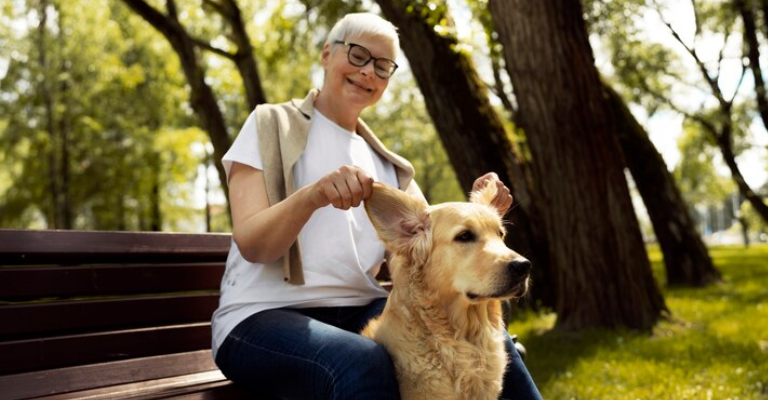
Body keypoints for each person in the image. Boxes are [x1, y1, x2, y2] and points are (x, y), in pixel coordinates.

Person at [211, 12, 543, 400]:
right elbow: (252, 244)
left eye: (382, 66)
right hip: (260, 317)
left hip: (358, 310)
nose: (369, 72)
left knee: (491, 330)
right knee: (363, 361)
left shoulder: (389, 165)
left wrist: (476, 208)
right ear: (326, 55)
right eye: (357, 56)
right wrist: (313, 195)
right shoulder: (270, 123)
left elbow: (429, 243)